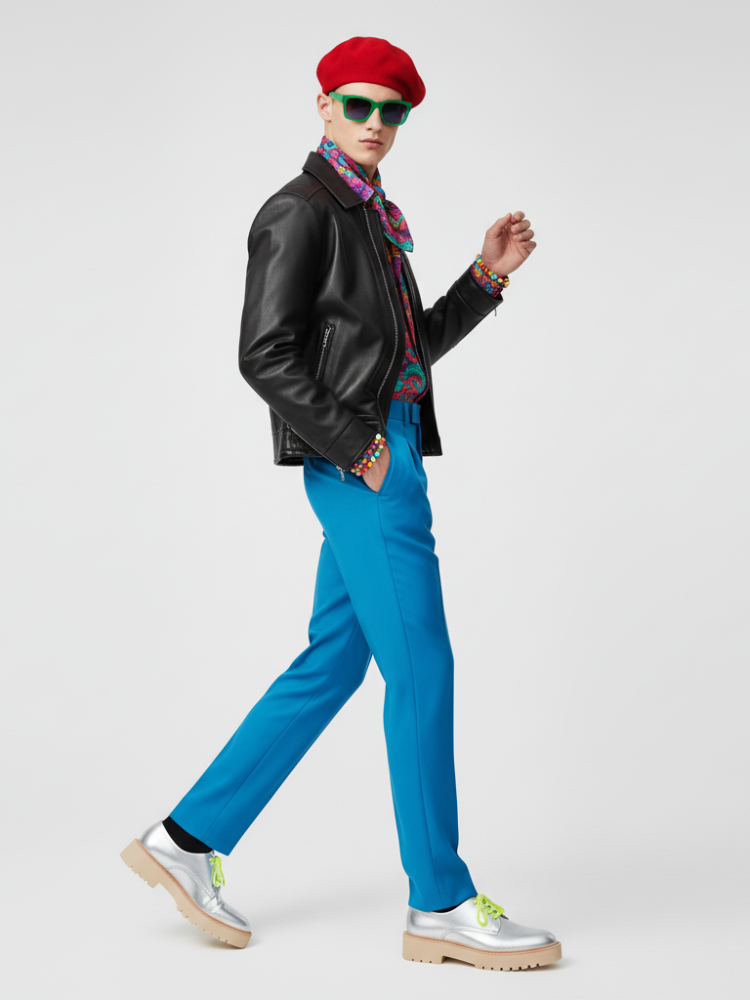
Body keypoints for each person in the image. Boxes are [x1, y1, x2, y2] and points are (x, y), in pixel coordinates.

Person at [121, 35, 562, 973]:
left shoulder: (373, 216)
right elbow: (263, 354)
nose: (374, 122)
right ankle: (439, 899)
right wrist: (360, 450)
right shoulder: (301, 211)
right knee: (424, 667)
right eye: (357, 104)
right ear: (323, 105)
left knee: (334, 661)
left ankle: (186, 840)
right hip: (363, 461)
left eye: (390, 111)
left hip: (381, 447)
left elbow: (402, 353)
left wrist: (485, 277)